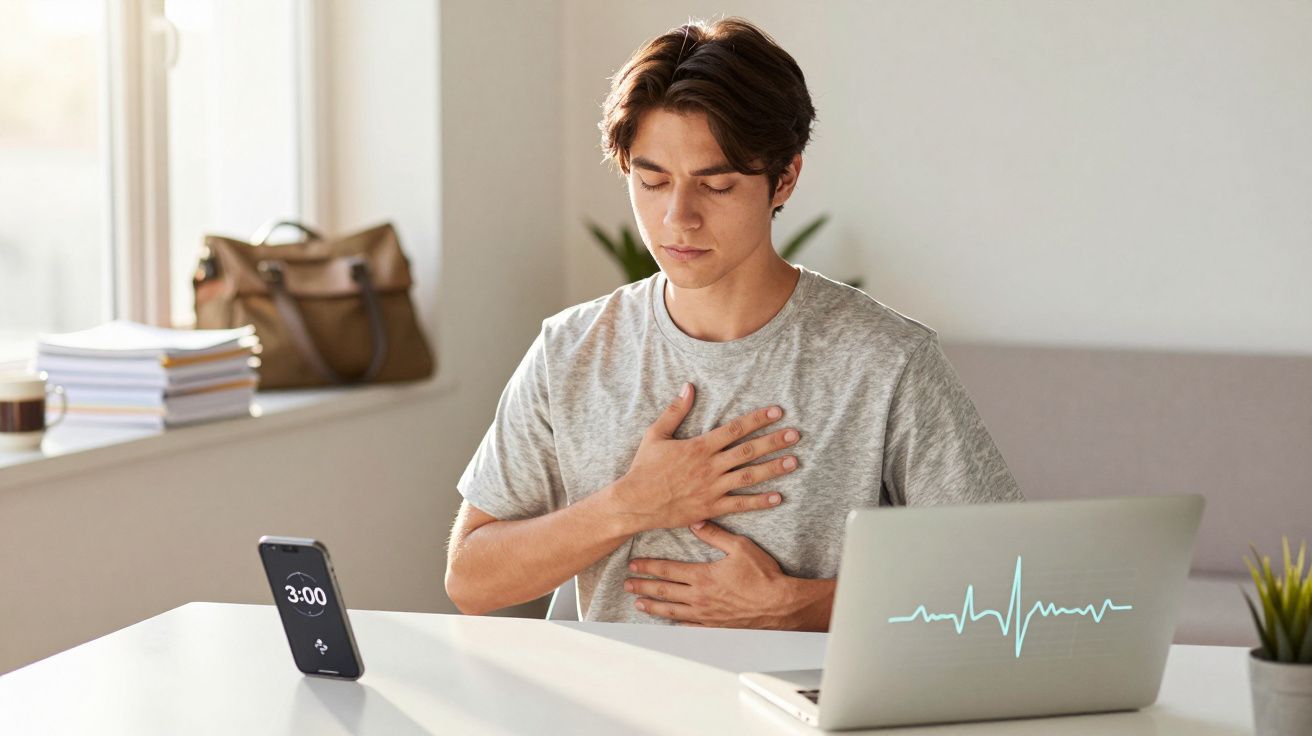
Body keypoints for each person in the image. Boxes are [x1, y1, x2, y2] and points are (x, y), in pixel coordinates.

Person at [444, 17, 1022, 631]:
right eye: (652, 181)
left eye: (716, 185)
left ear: (785, 178)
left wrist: (798, 606)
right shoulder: (571, 351)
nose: (678, 217)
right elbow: (471, 580)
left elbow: (1005, 579)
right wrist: (629, 506)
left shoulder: (885, 361)